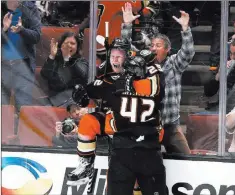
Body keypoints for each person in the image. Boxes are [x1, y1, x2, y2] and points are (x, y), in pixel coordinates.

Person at [71, 38, 166, 195]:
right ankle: (86, 164)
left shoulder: (113, 86)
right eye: (112, 56)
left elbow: (95, 90)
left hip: (123, 143)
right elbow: (158, 81)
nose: (115, 59)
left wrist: (83, 92)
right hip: (148, 145)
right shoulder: (153, 85)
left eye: (119, 56)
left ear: (128, 59)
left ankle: (87, 164)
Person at [121, 3, 194, 154]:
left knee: (186, 158)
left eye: (158, 45)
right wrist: (127, 25)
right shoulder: (142, 64)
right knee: (148, 160)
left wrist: (186, 29)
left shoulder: (174, 63)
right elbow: (124, 51)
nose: (153, 48)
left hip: (170, 126)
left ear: (167, 49)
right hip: (148, 126)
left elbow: (187, 52)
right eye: (152, 45)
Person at [1, 1, 41, 115]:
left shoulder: (30, 9)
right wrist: (4, 29)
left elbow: (36, 36)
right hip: (3, 67)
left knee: (23, 110)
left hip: (23, 65)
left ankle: (20, 133)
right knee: (2, 109)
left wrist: (22, 30)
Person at [40, 32, 89, 107]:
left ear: (77, 47)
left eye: (72, 43)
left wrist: (68, 58)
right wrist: (52, 56)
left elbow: (83, 75)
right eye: (66, 43)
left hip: (74, 101)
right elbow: (44, 75)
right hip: (55, 100)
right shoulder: (55, 60)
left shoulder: (81, 61)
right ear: (61, 45)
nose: (69, 46)